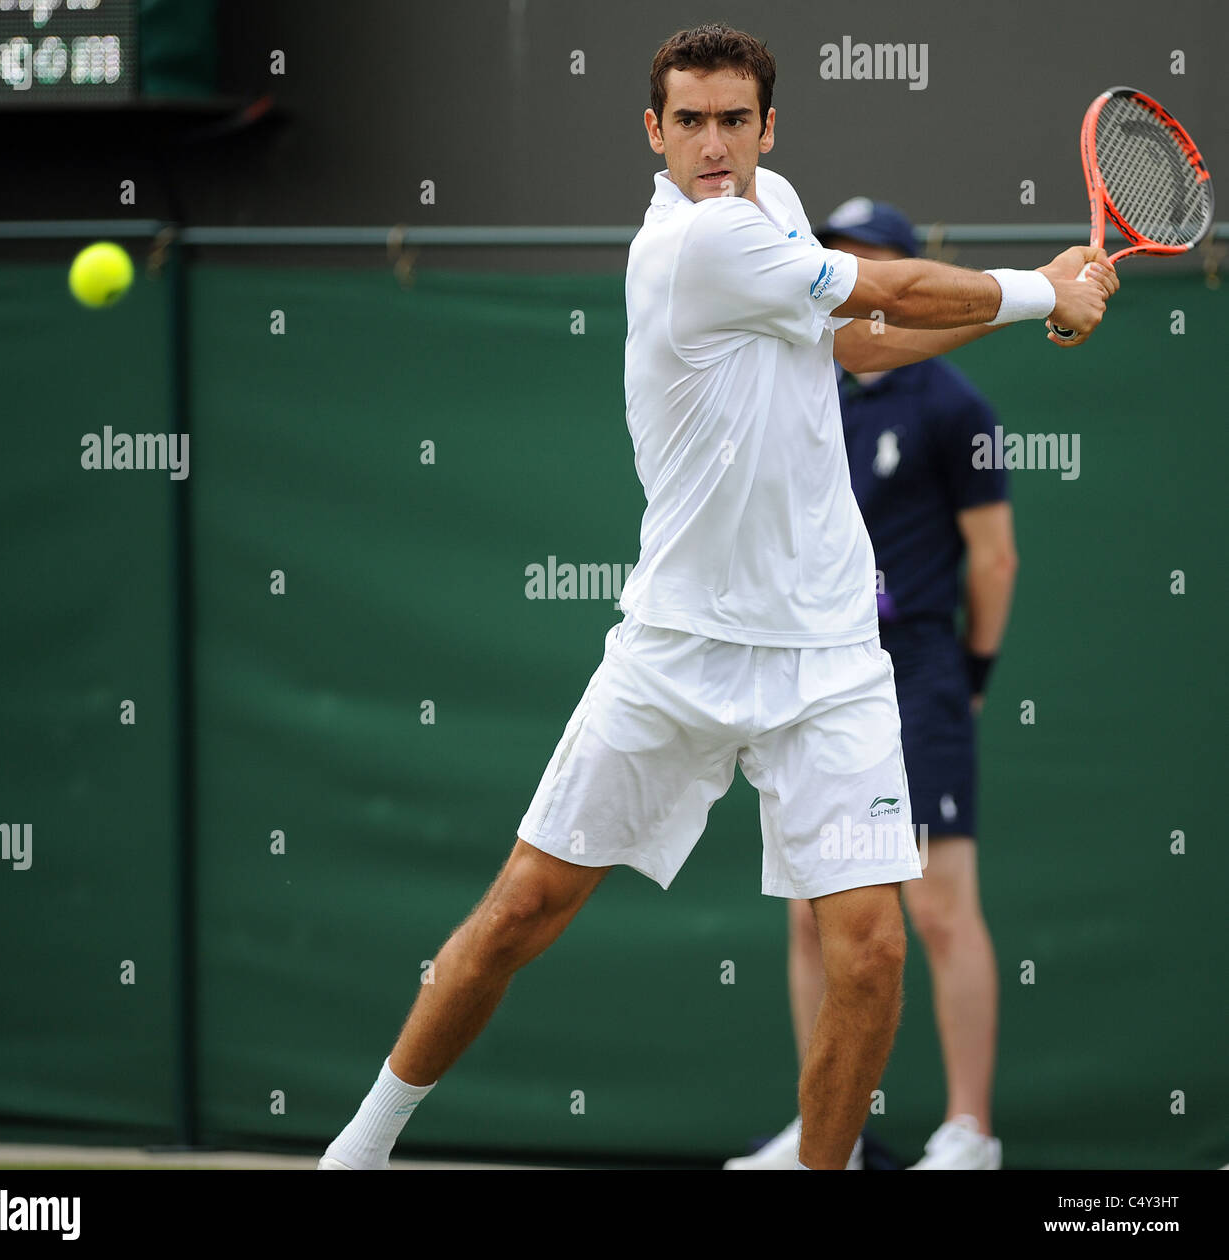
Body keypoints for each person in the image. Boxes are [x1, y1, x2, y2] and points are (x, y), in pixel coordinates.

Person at [319, 23, 1115, 1171]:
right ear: (652, 132)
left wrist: (1028, 308)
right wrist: (1037, 289)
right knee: (520, 914)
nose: (711, 143)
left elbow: (858, 338)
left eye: (732, 120)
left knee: (870, 952)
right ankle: (361, 1147)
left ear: (767, 126)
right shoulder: (695, 246)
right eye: (686, 121)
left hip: (829, 654)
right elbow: (887, 281)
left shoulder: (774, 205)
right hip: (678, 646)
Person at [725, 198, 1015, 1171]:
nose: (851, 278)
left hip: (916, 669)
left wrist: (970, 672)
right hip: (812, 668)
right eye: (835, 260)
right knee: (812, 910)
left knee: (935, 903)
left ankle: (967, 1132)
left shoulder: (954, 406)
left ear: (905, 277)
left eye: (870, 263)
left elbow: (994, 557)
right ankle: (829, 1138)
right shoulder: (804, 385)